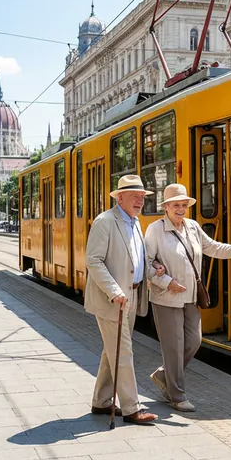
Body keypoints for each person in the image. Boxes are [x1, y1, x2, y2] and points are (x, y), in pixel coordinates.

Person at [144, 184, 231, 412]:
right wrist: (168, 282)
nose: (180, 209)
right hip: (166, 297)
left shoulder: (193, 227)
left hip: (190, 296)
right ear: (166, 207)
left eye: (184, 205)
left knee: (194, 340)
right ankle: (177, 396)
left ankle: (162, 375)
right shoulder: (155, 230)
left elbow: (213, 248)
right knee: (173, 347)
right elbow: (145, 265)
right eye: (176, 205)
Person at [84, 174, 159, 425]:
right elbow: (93, 260)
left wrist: (152, 268)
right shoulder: (105, 222)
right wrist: (114, 290)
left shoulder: (136, 222)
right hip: (112, 300)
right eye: (135, 197)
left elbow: (137, 259)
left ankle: (101, 400)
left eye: (142, 197)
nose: (140, 201)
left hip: (132, 296)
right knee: (123, 352)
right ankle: (131, 408)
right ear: (121, 197)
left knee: (112, 350)